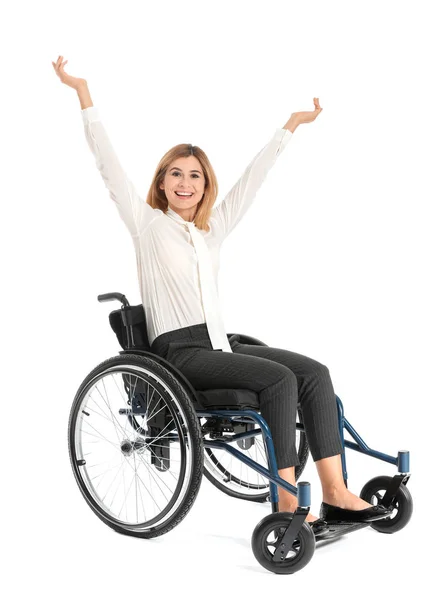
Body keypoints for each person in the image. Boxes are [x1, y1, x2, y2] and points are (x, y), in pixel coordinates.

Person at [52, 55, 391, 532]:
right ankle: (285, 504)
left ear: (205, 183)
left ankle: (335, 493)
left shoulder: (210, 231)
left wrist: (289, 128)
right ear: (161, 182)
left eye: (194, 175)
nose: (184, 183)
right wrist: (83, 94)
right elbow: (107, 163)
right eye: (175, 174)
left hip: (219, 343)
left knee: (315, 373)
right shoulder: (147, 225)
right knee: (277, 381)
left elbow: (252, 182)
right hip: (179, 353)